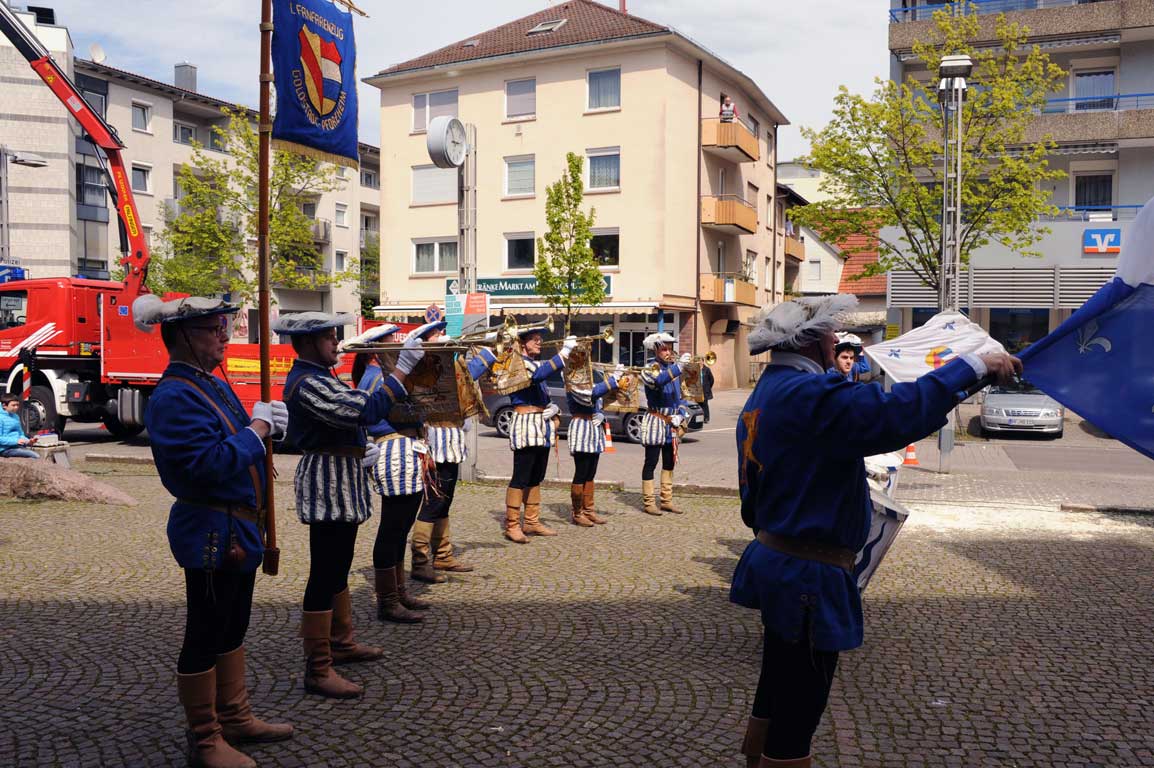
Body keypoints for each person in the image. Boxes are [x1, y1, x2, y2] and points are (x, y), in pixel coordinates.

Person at [731, 295, 1021, 768]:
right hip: (808, 572)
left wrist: (977, 373)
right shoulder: (807, 394)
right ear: (813, 341)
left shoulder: (774, 387)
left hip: (782, 560)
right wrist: (972, 365)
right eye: (830, 335)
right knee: (799, 711)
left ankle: (757, 759)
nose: (835, 342)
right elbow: (892, 414)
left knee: (778, 689)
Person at [135, 294, 293, 768]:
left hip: (237, 528)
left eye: (224, 325)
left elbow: (235, 438)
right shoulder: (174, 395)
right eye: (213, 328)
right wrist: (257, 431)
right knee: (205, 631)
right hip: (210, 530)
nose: (225, 335)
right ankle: (204, 739)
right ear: (183, 336)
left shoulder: (208, 384)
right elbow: (204, 465)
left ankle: (235, 715)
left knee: (232, 625)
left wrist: (263, 428)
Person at [276, 311, 424, 700]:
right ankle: (317, 666)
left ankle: (340, 643)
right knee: (324, 574)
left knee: (338, 569)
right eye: (329, 337)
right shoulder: (307, 381)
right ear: (307, 342)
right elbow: (366, 409)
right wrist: (402, 370)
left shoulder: (321, 376)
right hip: (327, 480)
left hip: (341, 474)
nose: (336, 343)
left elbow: (350, 418)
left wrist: (361, 446)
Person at [348, 319, 445, 622]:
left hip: (407, 450)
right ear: (376, 351)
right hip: (392, 450)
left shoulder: (381, 374)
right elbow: (371, 414)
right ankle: (387, 600)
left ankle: (398, 591)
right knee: (391, 528)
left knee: (401, 527)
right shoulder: (375, 377)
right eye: (391, 343)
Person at [408, 314, 499, 582]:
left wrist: (490, 352)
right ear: (426, 341)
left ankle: (443, 554)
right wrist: (485, 355)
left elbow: (466, 381)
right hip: (436, 440)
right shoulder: (424, 366)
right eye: (437, 335)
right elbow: (452, 383)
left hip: (451, 438)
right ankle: (420, 558)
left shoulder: (446, 364)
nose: (442, 337)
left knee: (445, 499)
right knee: (434, 500)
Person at [503, 324, 578, 543]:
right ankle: (512, 524)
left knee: (537, 476)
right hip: (525, 423)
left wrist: (552, 407)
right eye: (534, 339)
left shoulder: (534, 364)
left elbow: (541, 389)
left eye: (539, 339)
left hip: (540, 424)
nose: (539, 342)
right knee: (521, 475)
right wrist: (563, 353)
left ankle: (532, 521)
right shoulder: (517, 363)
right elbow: (536, 377)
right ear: (522, 343)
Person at [564, 363, 629, 527]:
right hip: (581, 428)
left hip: (593, 429)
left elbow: (598, 402)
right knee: (581, 472)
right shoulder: (572, 383)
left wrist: (600, 414)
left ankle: (589, 510)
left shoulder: (588, 382)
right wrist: (613, 379)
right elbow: (590, 395)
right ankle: (577, 512)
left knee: (591, 472)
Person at [639, 332, 691, 516]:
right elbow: (659, 381)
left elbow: (683, 398)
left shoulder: (674, 370)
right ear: (655, 349)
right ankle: (648, 502)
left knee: (669, 462)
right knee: (651, 462)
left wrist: (682, 414)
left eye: (670, 348)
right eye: (664, 348)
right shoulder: (649, 368)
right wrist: (679, 366)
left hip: (672, 422)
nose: (668, 352)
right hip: (656, 418)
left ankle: (666, 500)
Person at [0, 394, 38, 458]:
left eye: (17, 405)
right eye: (13, 405)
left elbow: (20, 434)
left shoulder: (16, 417)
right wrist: (16, 441)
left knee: (33, 455)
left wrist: (28, 441)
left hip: (17, 446)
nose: (16, 407)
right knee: (35, 456)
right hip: (5, 449)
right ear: (4, 406)